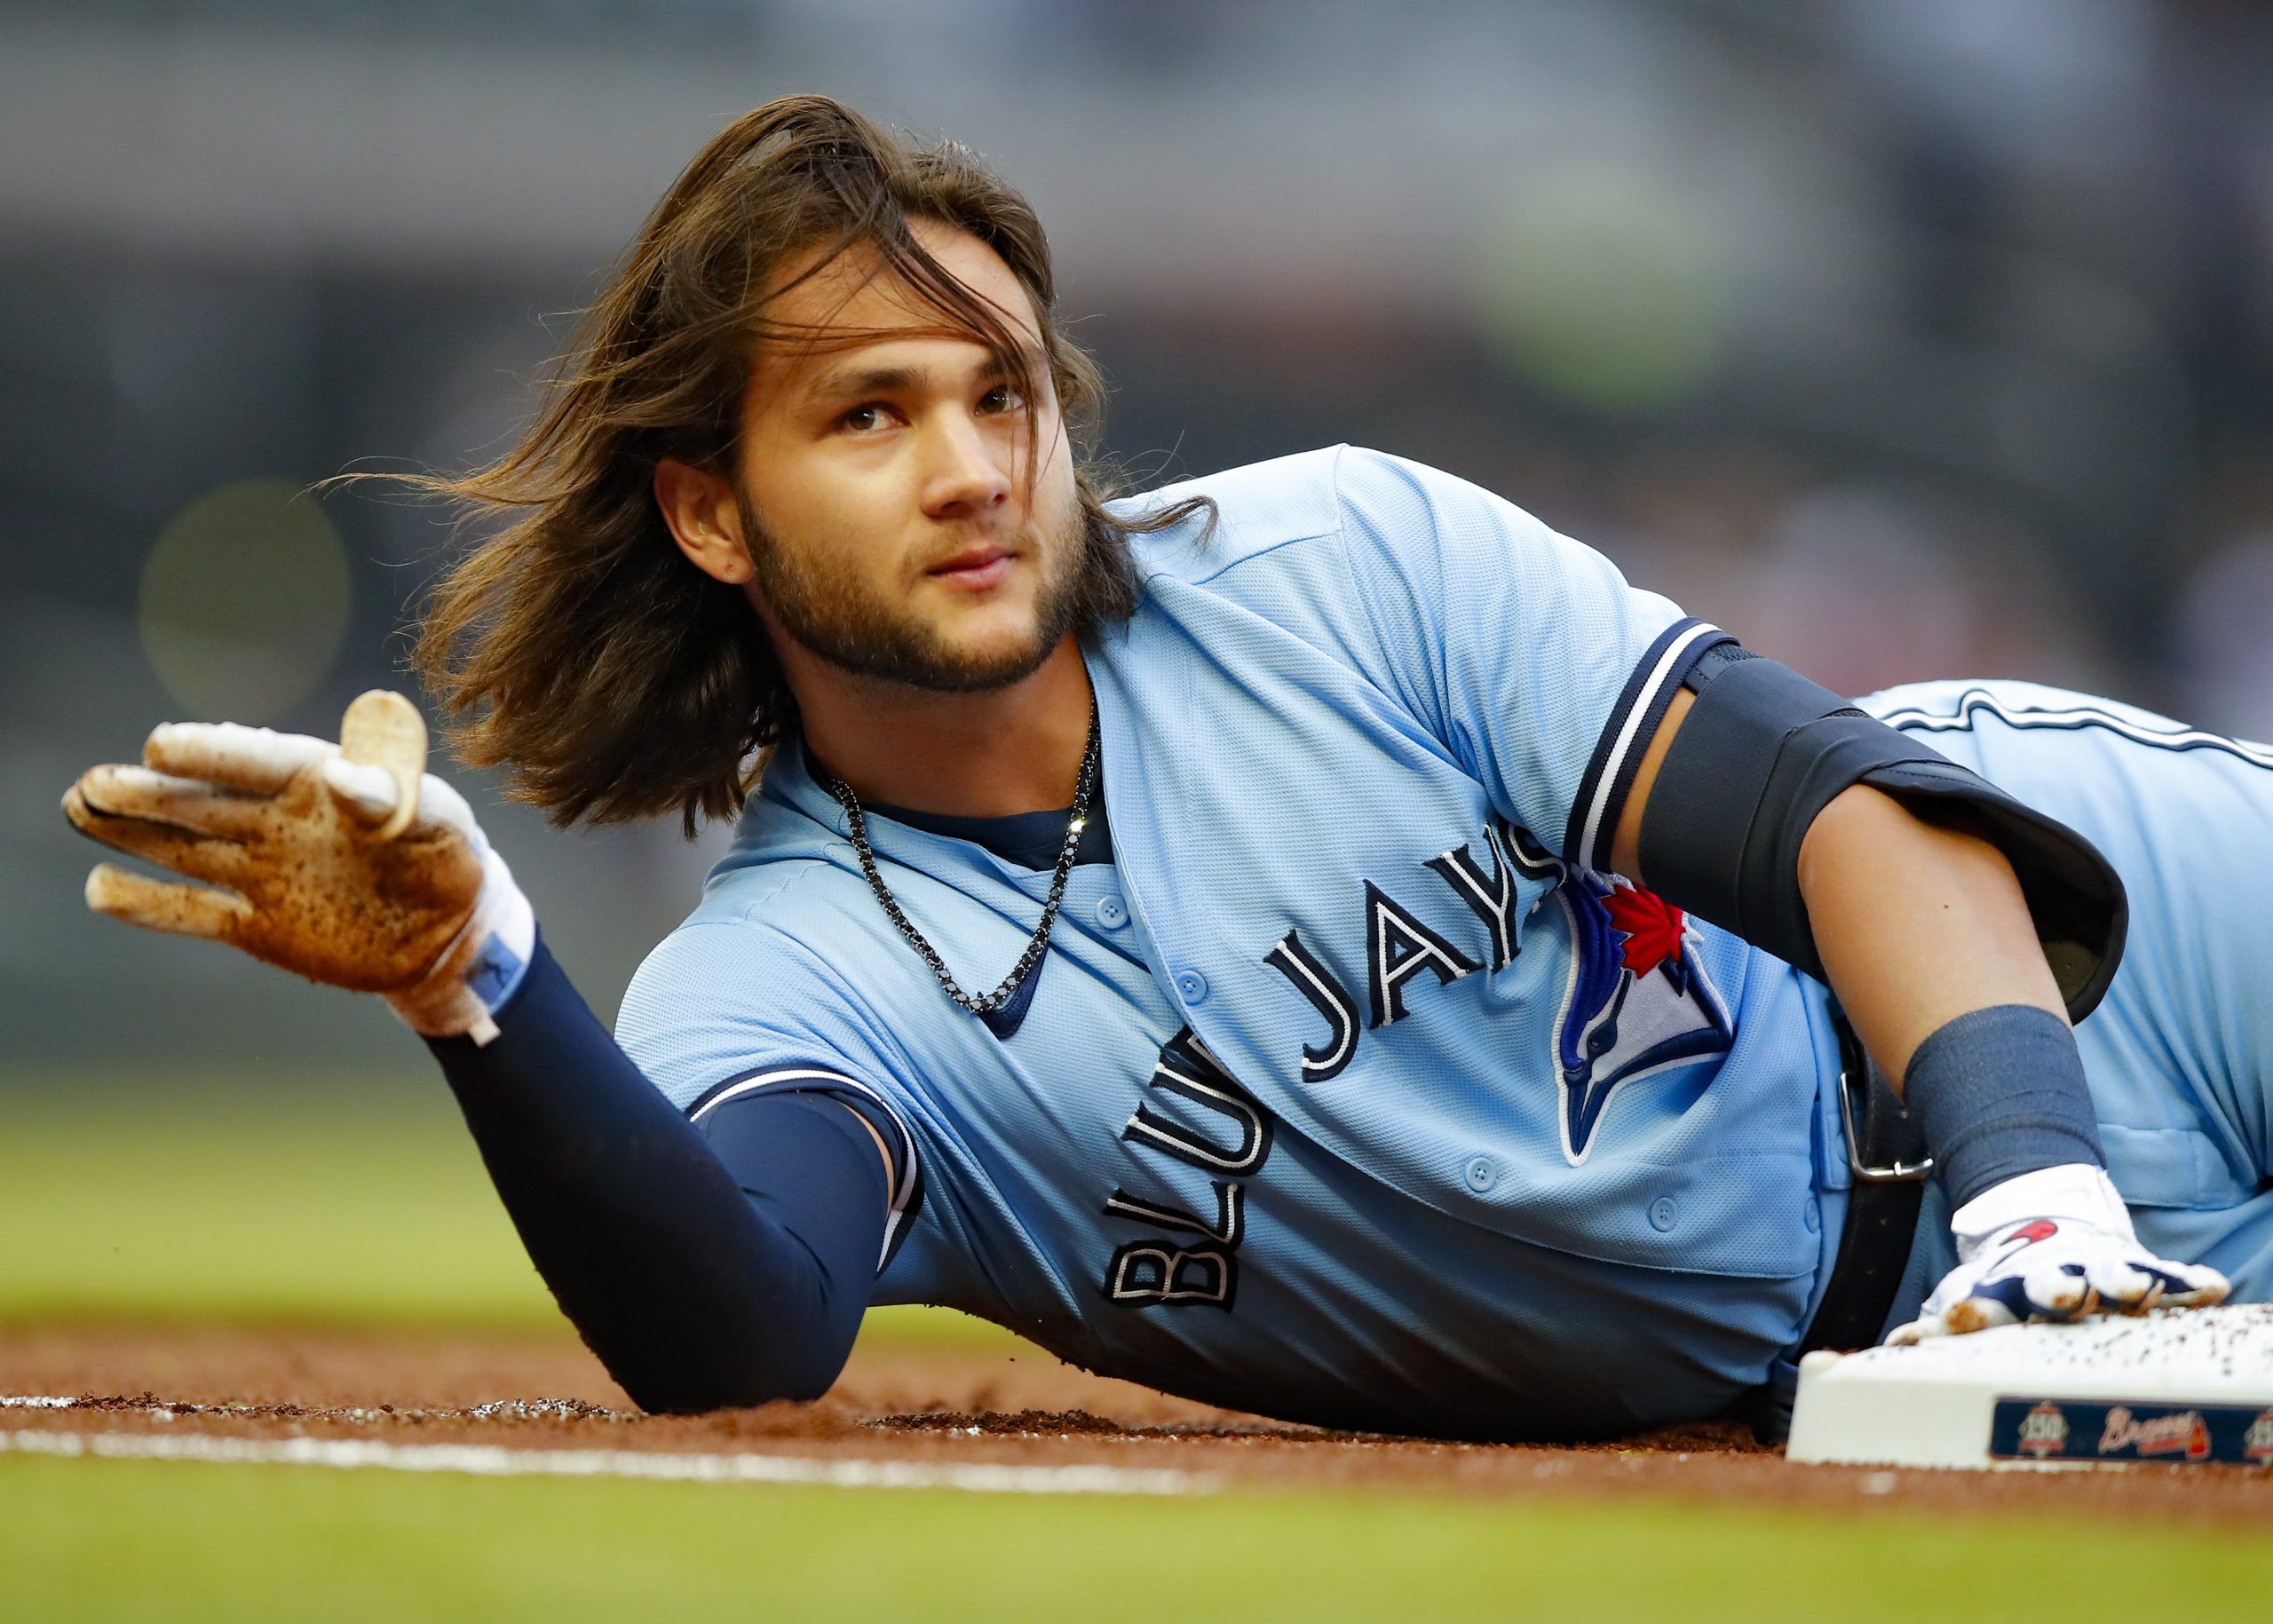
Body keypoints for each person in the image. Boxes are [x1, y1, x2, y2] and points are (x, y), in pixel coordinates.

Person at [65, 97, 2260, 1444]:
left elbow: (1840, 813)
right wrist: (482, 982)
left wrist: (2038, 1211)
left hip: (2110, 985)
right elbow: (736, 1332)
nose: (968, 466)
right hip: (1858, 1350)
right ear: (708, 513)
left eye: (1000, 394)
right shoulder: (796, 987)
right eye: (867, 413)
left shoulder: (1340, 559)